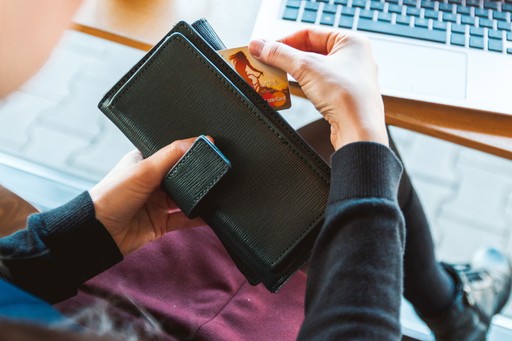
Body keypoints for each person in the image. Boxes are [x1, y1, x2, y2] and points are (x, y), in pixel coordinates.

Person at [0, 2, 510, 341]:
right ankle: (452, 312)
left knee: (330, 165)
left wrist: (77, 236)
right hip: (163, 313)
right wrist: (363, 134)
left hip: (93, 282)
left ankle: (450, 309)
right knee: (358, 164)